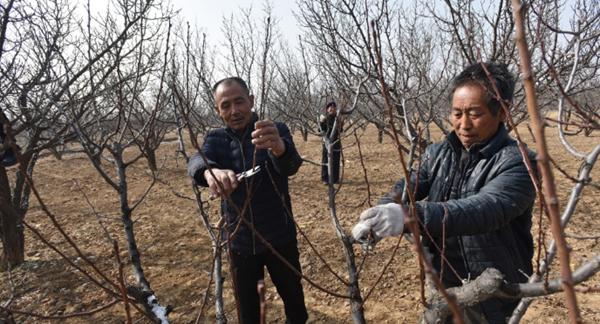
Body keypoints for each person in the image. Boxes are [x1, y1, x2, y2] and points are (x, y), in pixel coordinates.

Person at [352, 62, 537, 323]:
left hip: (491, 288)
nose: (463, 124)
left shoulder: (519, 163)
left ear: (502, 111)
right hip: (441, 277)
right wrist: (378, 215)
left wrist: (408, 217)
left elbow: (485, 209)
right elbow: (409, 186)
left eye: (474, 113)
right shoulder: (438, 153)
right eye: (456, 113)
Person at [187, 77, 308, 324]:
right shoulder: (215, 139)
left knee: (296, 309)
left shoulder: (273, 130)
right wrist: (210, 172)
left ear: (251, 101)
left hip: (280, 238)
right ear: (218, 110)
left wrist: (279, 148)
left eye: (239, 102)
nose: (234, 111)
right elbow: (196, 162)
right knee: (248, 316)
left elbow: (291, 165)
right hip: (239, 243)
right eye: (226, 105)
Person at [319, 101, 344, 184]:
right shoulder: (325, 119)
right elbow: (320, 131)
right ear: (327, 110)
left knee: (336, 161)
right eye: (329, 107)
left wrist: (340, 122)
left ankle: (335, 179)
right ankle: (325, 179)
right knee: (325, 160)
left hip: (336, 143)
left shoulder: (337, 119)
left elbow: (340, 131)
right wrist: (321, 122)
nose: (331, 109)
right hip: (326, 143)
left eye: (333, 107)